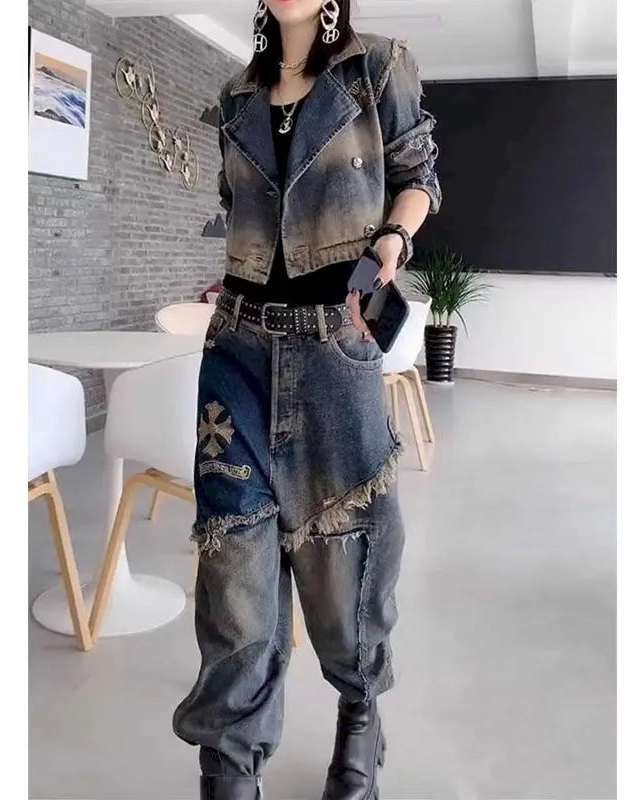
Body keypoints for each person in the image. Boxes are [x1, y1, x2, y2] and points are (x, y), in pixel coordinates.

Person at [172, 1, 441, 797]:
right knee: (233, 570)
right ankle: (229, 761)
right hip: (236, 351)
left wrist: (392, 237)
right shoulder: (235, 96)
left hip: (335, 350)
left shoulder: (378, 68)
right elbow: (240, 214)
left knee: (347, 560)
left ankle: (361, 714)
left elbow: (418, 178)